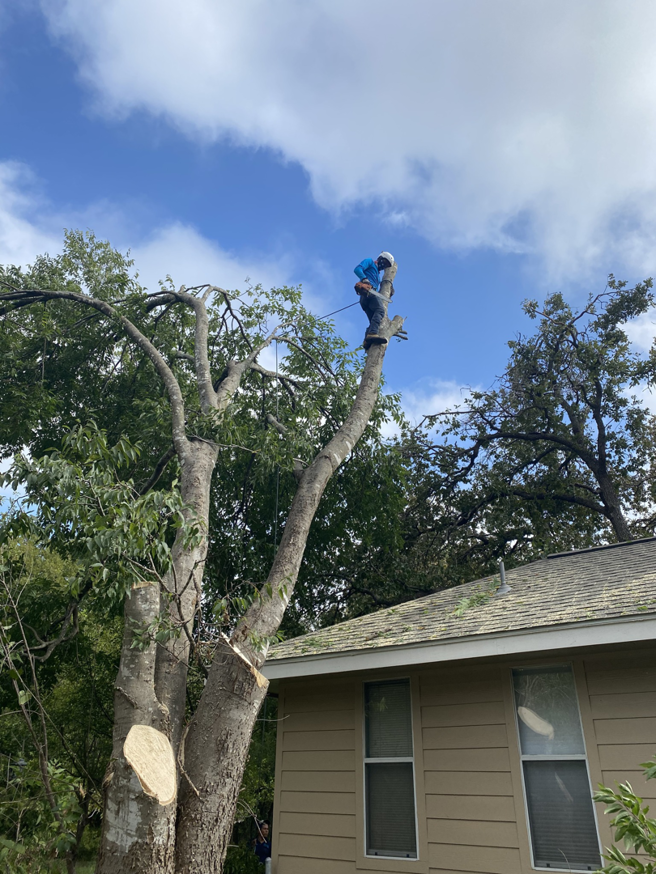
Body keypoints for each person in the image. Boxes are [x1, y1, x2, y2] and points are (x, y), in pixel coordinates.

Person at [354, 251, 394, 348]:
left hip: (369, 296)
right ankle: (372, 334)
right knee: (380, 311)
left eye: (386, 266)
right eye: (384, 262)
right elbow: (357, 269)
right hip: (367, 292)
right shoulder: (370, 262)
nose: (383, 266)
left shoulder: (378, 275)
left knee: (373, 320)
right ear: (380, 258)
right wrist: (364, 279)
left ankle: (367, 341)